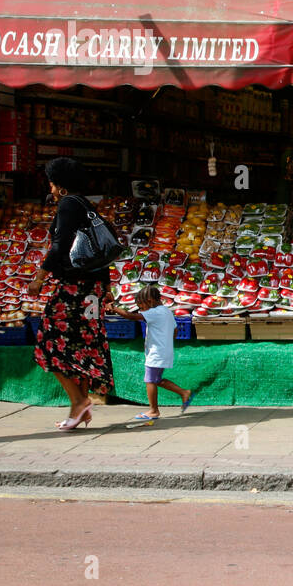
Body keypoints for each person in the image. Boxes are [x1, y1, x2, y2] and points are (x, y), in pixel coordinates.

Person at [28, 157, 116, 431]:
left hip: (75, 287)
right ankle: (81, 408)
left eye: (53, 184)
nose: (51, 190)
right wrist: (107, 288)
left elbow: (59, 246)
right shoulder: (86, 205)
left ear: (61, 186)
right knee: (84, 341)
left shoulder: (68, 205)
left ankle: (79, 402)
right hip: (95, 287)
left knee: (49, 342)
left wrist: (40, 277)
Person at [108, 284, 195, 421]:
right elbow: (175, 331)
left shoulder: (155, 312)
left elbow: (131, 316)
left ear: (150, 301)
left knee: (150, 380)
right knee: (157, 380)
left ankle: (154, 411)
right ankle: (184, 392)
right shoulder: (167, 311)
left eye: (142, 306)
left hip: (156, 353)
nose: (141, 310)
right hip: (164, 351)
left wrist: (114, 308)